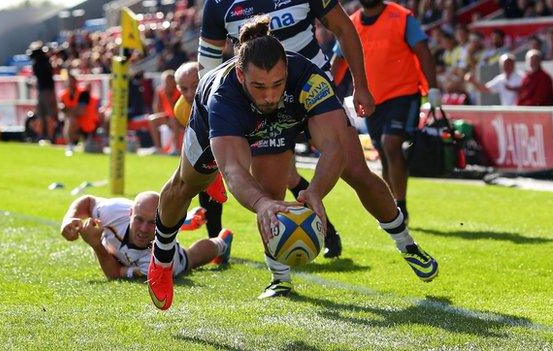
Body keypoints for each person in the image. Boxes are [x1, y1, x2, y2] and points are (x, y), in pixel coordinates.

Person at [148, 16, 438, 311]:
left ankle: (406, 242)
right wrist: (259, 204)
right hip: (221, 122)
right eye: (259, 86)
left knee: (345, 171)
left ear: (287, 69)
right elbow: (233, 168)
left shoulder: (308, 77)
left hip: (286, 118)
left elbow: (334, 146)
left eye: (277, 84)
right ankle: (161, 257)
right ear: (240, 74)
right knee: (186, 185)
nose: (270, 95)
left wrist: (315, 191)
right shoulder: (223, 95)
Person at [197, 0, 377, 258]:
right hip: (260, 104)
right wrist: (211, 111)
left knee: (354, 170)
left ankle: (400, 239)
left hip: (311, 94)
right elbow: (208, 65)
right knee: (269, 182)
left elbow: (343, 27)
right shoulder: (217, 4)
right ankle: (278, 267)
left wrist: (360, 85)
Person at [331, 0, 441, 223]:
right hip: (372, 99)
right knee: (383, 151)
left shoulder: (402, 17)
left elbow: (424, 52)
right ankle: (392, 208)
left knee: (391, 143)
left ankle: (402, 205)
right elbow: (338, 62)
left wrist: (433, 88)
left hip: (403, 93)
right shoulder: (350, 24)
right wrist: (327, 88)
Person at [59, 192, 232, 280]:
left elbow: (115, 273)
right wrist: (70, 218)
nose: (143, 228)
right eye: (139, 219)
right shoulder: (113, 210)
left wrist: (96, 245)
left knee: (190, 257)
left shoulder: (160, 260)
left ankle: (221, 242)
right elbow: (88, 201)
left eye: (152, 222)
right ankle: (182, 221)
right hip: (119, 247)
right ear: (130, 212)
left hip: (162, 249)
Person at [173, 61, 228, 240]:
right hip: (212, 146)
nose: (190, 93)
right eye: (183, 88)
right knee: (204, 186)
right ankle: (215, 242)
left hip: (240, 139)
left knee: (286, 178)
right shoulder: (180, 109)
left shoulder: (220, 96)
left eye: (195, 86)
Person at [59, 74, 101, 156]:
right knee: (70, 120)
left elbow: (80, 112)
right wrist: (70, 111)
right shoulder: (63, 95)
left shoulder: (83, 94)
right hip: (74, 125)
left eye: (72, 82)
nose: (70, 84)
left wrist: (67, 110)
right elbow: (62, 109)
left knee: (71, 119)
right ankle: (70, 145)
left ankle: (74, 144)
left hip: (87, 125)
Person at [28, 41, 58, 142]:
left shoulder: (37, 64)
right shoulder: (44, 62)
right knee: (46, 115)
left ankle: (43, 136)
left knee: (44, 116)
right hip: (46, 92)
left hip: (43, 92)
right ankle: (48, 136)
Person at [148, 70, 181, 154]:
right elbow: (156, 109)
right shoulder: (160, 91)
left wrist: (168, 96)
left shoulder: (179, 91)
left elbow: (176, 110)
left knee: (174, 119)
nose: (166, 84)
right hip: (168, 117)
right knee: (152, 119)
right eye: (165, 82)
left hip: (179, 117)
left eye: (168, 82)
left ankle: (174, 148)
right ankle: (158, 148)